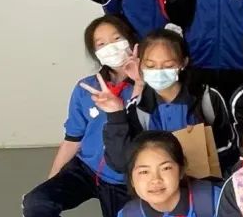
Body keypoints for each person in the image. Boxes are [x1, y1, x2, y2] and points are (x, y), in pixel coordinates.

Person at [25, 15, 140, 217]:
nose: (110, 47)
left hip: (122, 179)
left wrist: (140, 82)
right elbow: (72, 138)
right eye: (100, 44)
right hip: (86, 169)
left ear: (130, 39)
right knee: (36, 202)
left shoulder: (149, 84)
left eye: (116, 39)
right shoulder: (85, 88)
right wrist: (51, 182)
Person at [98, 28, 235, 177]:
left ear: (183, 63)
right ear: (140, 65)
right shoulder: (137, 107)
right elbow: (120, 163)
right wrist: (116, 114)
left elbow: (229, 147)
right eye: (150, 66)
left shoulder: (208, 98)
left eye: (168, 66)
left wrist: (203, 146)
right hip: (157, 187)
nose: (158, 71)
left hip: (203, 184)